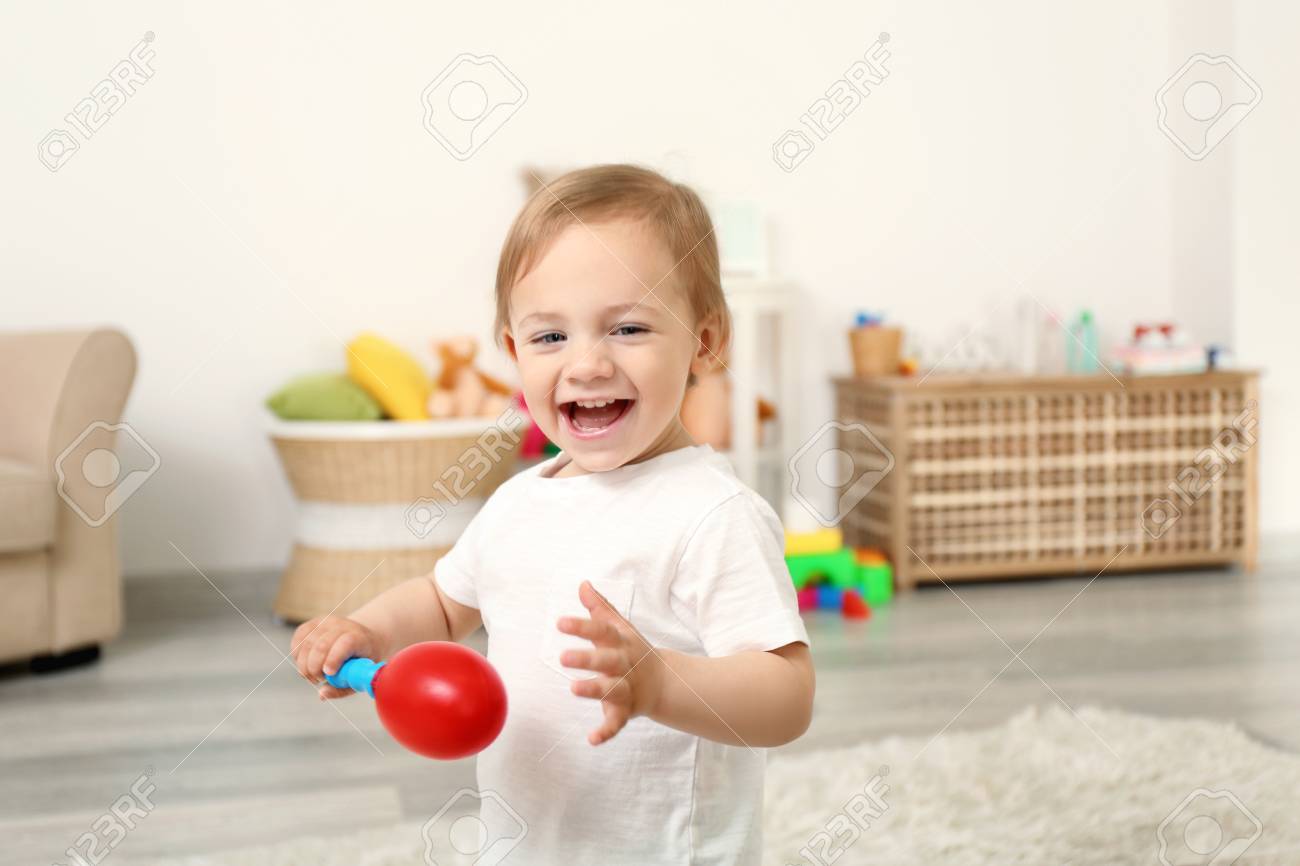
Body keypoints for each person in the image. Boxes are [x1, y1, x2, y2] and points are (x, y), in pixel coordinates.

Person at [290, 164, 813, 865]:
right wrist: (367, 630)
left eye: (628, 328)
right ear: (512, 352)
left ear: (707, 343)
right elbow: (444, 605)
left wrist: (659, 682)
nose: (588, 364)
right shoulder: (519, 500)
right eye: (549, 338)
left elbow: (786, 698)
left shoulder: (712, 514)